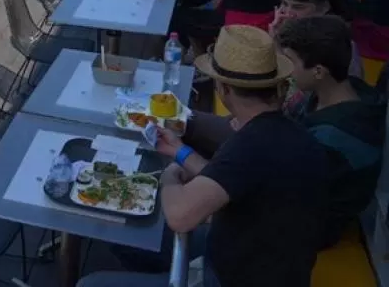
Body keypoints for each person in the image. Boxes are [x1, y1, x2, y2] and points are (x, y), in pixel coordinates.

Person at [78, 26, 328, 287]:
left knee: (89, 284)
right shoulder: (284, 132)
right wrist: (178, 151)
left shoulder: (251, 144)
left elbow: (180, 215)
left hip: (232, 276)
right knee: (124, 235)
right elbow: (226, 175)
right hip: (255, 256)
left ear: (223, 88)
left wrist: (170, 174)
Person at [275, 16, 385, 248]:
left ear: (318, 71)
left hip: (310, 228)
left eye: (289, 61)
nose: (284, 69)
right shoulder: (345, 91)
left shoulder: (336, 137)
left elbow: (275, 181)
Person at [270, 0, 364, 79]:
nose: (288, 14)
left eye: (298, 7)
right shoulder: (284, 34)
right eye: (284, 4)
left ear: (324, 7)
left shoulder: (337, 45)